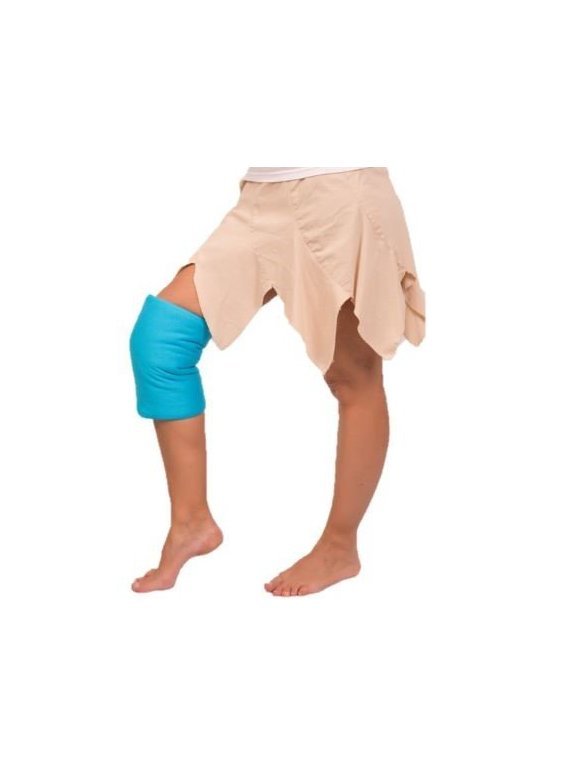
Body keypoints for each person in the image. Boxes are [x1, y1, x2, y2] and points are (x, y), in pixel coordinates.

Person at [128, 167, 426, 596]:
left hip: (338, 191)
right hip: (263, 195)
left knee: (354, 378)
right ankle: (191, 523)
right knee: (160, 340)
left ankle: (339, 547)